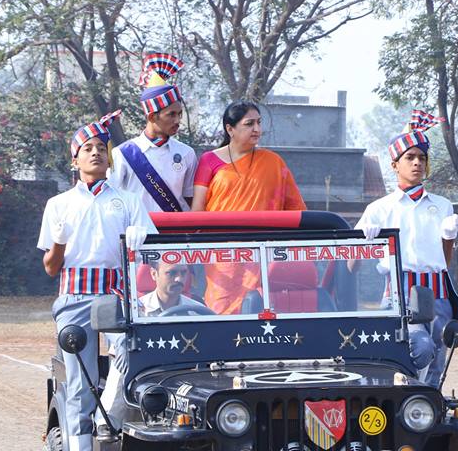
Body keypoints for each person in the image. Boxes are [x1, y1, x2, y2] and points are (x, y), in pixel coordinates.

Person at [38, 110, 156, 451]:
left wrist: (141, 240)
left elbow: (151, 255)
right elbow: (50, 268)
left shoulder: (127, 201)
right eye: (87, 148)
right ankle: (80, 446)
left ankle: (108, 426)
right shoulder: (58, 204)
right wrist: (59, 242)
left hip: (117, 292)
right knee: (77, 382)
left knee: (129, 361)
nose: (95, 153)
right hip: (74, 293)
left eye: (101, 148)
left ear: (109, 158)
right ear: (75, 160)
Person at [356, 110, 458, 388]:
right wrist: (365, 243)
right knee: (414, 349)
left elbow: (444, 261)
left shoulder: (441, 205)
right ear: (395, 165)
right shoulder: (379, 209)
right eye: (410, 157)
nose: (417, 163)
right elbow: (351, 259)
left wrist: (449, 236)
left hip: (436, 290)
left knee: (438, 353)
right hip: (398, 291)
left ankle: (429, 408)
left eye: (422, 158)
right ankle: (398, 403)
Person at [191, 101, 306, 314]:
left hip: (264, 254)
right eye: (249, 123)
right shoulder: (209, 161)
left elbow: (295, 209)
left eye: (259, 123)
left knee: (260, 311)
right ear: (230, 129)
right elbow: (197, 210)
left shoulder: (274, 162)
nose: (257, 129)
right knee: (220, 310)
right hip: (222, 256)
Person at [109, 53, 197, 212]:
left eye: (179, 114)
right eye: (171, 114)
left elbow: (190, 199)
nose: (177, 121)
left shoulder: (186, 153)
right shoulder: (122, 154)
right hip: (138, 232)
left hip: (176, 233)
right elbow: (112, 199)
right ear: (152, 116)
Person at [137, 261, 206, 316]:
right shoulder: (137, 311)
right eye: (171, 273)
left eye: (184, 272)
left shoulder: (198, 311)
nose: (179, 279)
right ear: (154, 274)